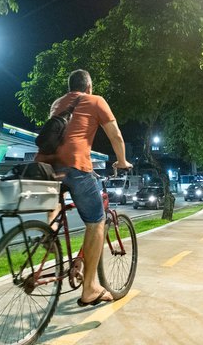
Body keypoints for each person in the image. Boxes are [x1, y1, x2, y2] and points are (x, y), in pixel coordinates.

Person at [35, 69, 132, 307]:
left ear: (70, 88)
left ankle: (50, 229)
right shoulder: (96, 101)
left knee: (58, 196)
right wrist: (122, 161)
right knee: (96, 222)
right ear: (89, 86)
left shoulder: (57, 103)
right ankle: (89, 288)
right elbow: (116, 136)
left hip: (45, 166)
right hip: (76, 165)